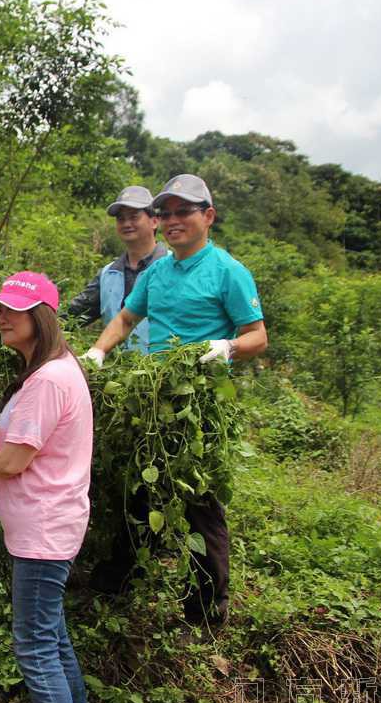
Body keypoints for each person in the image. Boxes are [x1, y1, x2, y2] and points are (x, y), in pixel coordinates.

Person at [82, 174, 268, 626]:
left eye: (184, 211)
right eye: (165, 212)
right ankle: (117, 580)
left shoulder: (228, 271)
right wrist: (98, 351)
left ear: (208, 216)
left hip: (199, 403)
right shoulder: (158, 271)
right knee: (138, 487)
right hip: (150, 396)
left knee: (198, 502)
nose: (172, 220)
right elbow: (127, 317)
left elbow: (257, 336)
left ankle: (207, 607)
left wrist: (227, 347)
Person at [0, 271, 91, 703]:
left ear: (40, 316)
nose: (2, 317)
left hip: (43, 532)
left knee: (34, 649)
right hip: (51, 525)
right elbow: (33, 441)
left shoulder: (47, 379)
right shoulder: (57, 369)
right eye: (0, 308)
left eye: (13, 309)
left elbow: (12, 462)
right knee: (53, 640)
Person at [67, 185, 167, 352]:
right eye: (121, 219)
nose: (127, 223)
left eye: (134, 217)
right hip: (115, 371)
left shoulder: (173, 266)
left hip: (162, 372)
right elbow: (74, 315)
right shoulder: (108, 274)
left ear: (154, 221)